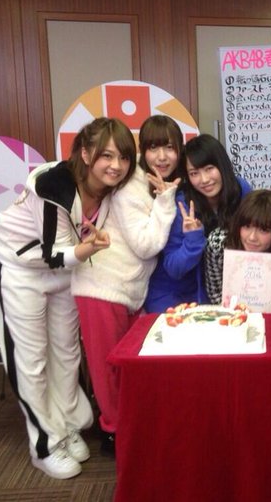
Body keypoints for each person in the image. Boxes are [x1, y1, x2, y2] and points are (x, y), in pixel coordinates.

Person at [0, 117, 136, 479]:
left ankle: (67, 426)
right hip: (22, 269)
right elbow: (53, 253)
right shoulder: (53, 183)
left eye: (123, 157)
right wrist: (86, 250)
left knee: (67, 355)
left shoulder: (114, 188)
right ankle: (44, 444)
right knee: (32, 360)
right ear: (85, 153)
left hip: (67, 272)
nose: (116, 166)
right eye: (106, 155)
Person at [71, 115, 181, 456]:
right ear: (142, 151)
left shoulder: (147, 181)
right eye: (153, 148)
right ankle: (114, 431)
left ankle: (126, 425)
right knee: (109, 367)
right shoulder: (132, 186)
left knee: (128, 364)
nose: (161, 156)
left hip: (127, 289)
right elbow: (146, 245)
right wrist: (165, 202)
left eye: (169, 148)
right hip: (102, 287)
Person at [144, 133, 252, 312]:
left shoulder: (240, 190)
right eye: (194, 173)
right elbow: (173, 268)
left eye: (209, 169)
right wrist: (193, 239)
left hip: (226, 289)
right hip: (176, 294)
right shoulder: (182, 204)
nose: (204, 180)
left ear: (222, 165)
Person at [205, 189, 271, 311]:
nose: (252, 237)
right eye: (247, 226)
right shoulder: (218, 244)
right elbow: (215, 294)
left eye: (263, 230)